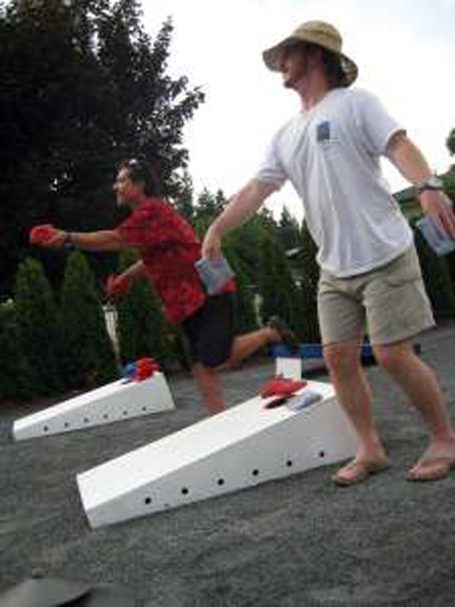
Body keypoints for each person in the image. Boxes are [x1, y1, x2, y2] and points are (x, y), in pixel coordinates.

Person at [202, 20, 455, 483]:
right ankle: (370, 448)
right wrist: (217, 226)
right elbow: (258, 188)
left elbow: (399, 145)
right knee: (337, 358)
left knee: (391, 353)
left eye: (289, 54)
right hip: (334, 268)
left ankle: (444, 439)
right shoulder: (285, 134)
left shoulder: (357, 104)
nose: (282, 62)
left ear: (315, 56)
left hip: (384, 253)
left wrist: (427, 186)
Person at [34, 158, 296, 415]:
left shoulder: (152, 212)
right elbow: (154, 260)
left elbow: (113, 239)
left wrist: (67, 238)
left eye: (122, 180)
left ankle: (270, 333)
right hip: (186, 300)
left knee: (216, 358)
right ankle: (219, 423)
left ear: (140, 185)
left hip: (208, 288)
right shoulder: (149, 216)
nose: (116, 186)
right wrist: (125, 278)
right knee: (199, 367)